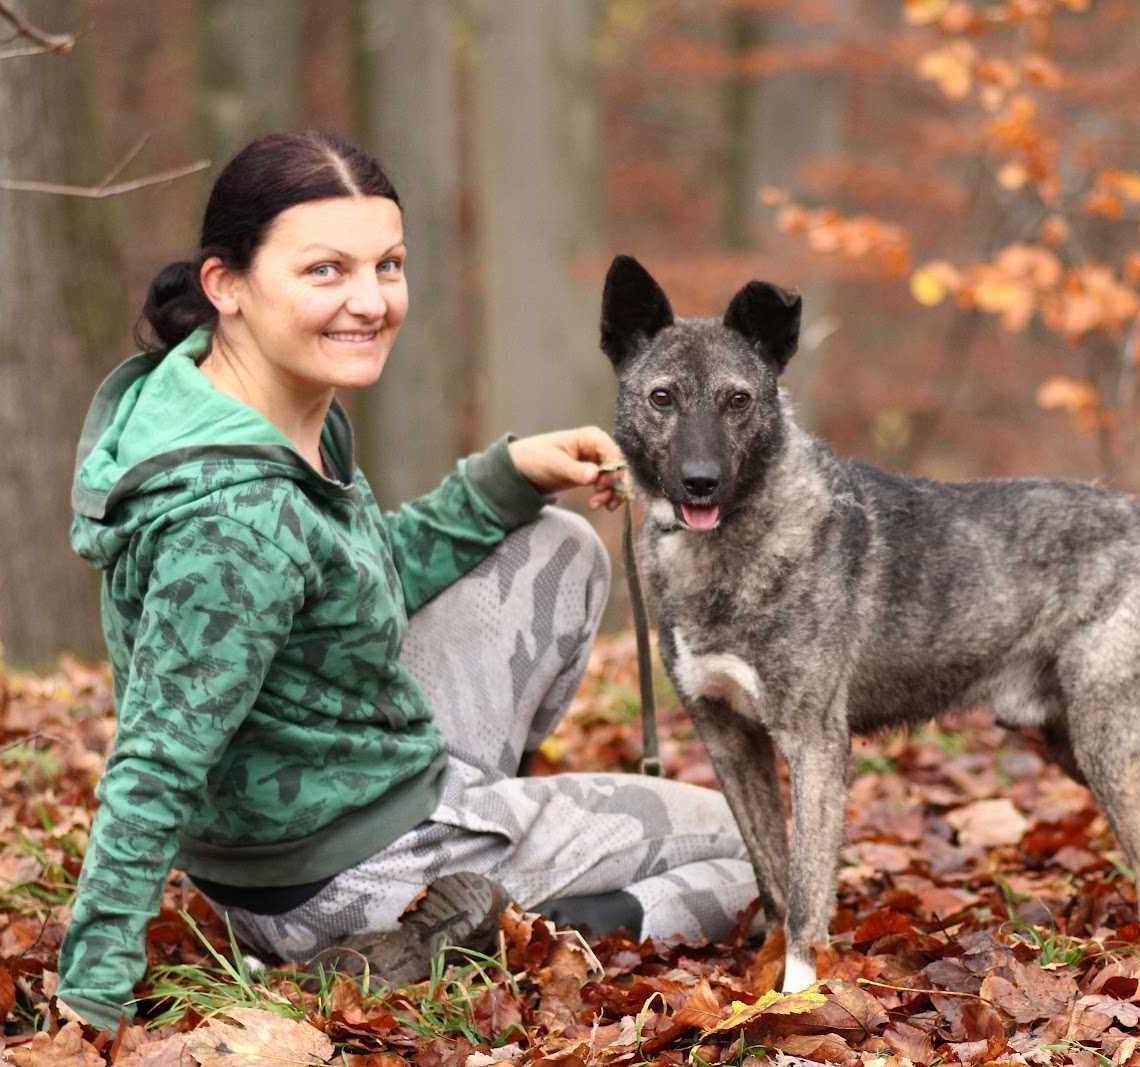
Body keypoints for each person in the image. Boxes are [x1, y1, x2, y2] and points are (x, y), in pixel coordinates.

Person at [57, 129, 757, 1032]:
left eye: (387, 265)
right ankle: (490, 928)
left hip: (323, 799)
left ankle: (479, 846)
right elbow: (154, 760)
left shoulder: (240, 400)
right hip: (339, 869)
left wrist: (504, 478)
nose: (370, 300)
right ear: (224, 285)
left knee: (556, 545)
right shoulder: (231, 523)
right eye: (325, 271)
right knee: (758, 841)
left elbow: (353, 583)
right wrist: (90, 1000)